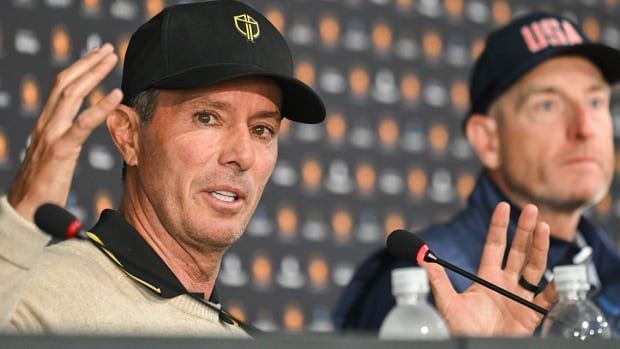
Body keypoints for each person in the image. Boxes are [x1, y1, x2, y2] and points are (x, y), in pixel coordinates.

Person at [0, 1, 554, 336]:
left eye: (263, 129)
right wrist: (16, 233)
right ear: (128, 135)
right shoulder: (38, 293)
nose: (241, 154)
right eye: (208, 116)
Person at [333, 12, 620, 336]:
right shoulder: (427, 279)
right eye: (547, 105)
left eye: (596, 101)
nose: (584, 128)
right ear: (488, 140)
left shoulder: (608, 271)